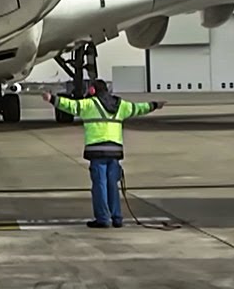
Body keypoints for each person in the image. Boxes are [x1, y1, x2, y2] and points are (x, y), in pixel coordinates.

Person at [42, 79, 164, 228]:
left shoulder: (89, 104)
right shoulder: (121, 105)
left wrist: (52, 99)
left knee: (100, 185)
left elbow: (70, 106)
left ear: (93, 91)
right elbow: (138, 108)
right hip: (115, 151)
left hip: (97, 150)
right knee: (113, 184)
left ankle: (103, 218)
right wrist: (155, 105)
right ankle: (117, 218)